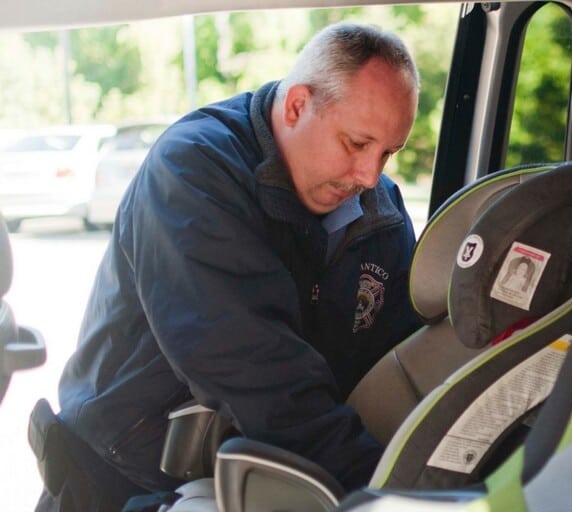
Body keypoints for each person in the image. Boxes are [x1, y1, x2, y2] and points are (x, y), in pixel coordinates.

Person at [33, 22, 422, 512]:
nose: (370, 175)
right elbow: (247, 360)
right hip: (119, 475)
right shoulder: (193, 171)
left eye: (388, 152)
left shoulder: (378, 213)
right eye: (356, 144)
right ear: (298, 104)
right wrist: (385, 491)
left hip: (269, 476)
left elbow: (398, 357)